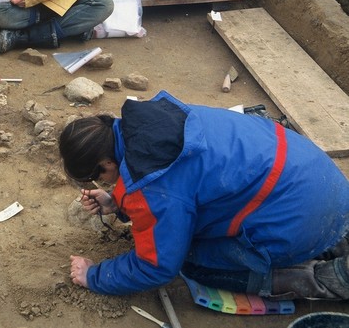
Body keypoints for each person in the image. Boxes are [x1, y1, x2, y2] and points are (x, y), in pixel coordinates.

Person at [59, 90, 349, 300]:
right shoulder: (158, 116)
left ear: (107, 163)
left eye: (99, 177)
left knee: (191, 261)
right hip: (320, 178)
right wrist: (118, 203)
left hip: (300, 216)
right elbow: (186, 182)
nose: (104, 182)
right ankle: (336, 238)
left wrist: (95, 276)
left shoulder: (152, 185)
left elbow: (156, 266)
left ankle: (324, 278)